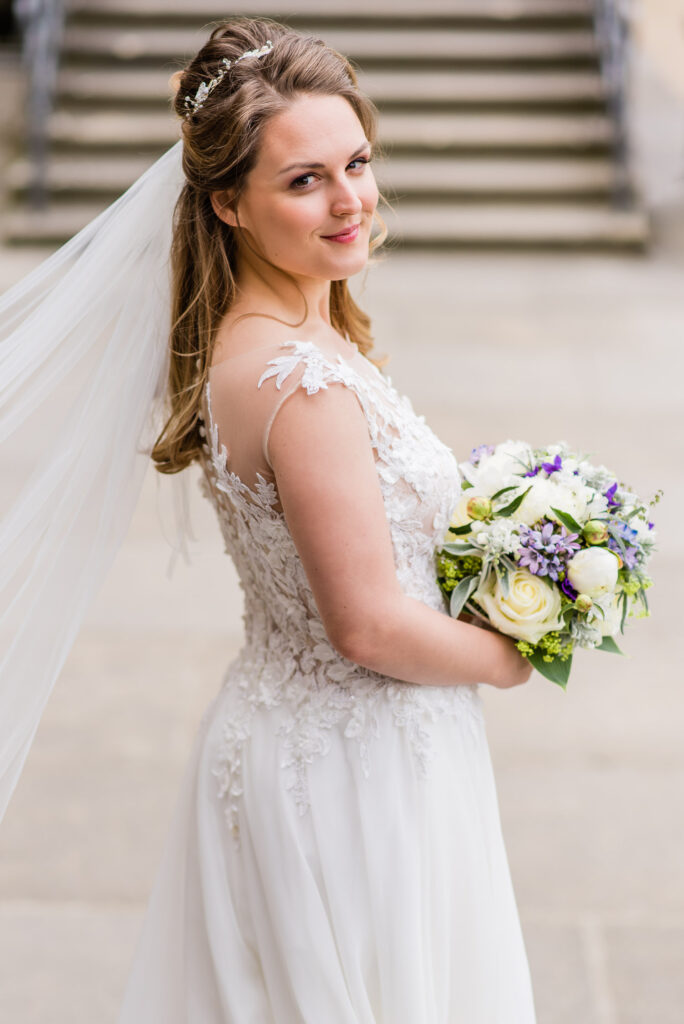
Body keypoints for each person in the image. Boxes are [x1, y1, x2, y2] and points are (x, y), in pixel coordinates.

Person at [1, 16, 537, 1023]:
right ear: (228, 205)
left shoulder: (271, 335)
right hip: (359, 776)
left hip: (284, 736)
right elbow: (367, 625)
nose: (351, 202)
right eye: (305, 180)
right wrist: (509, 653)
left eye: (358, 162)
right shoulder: (304, 383)